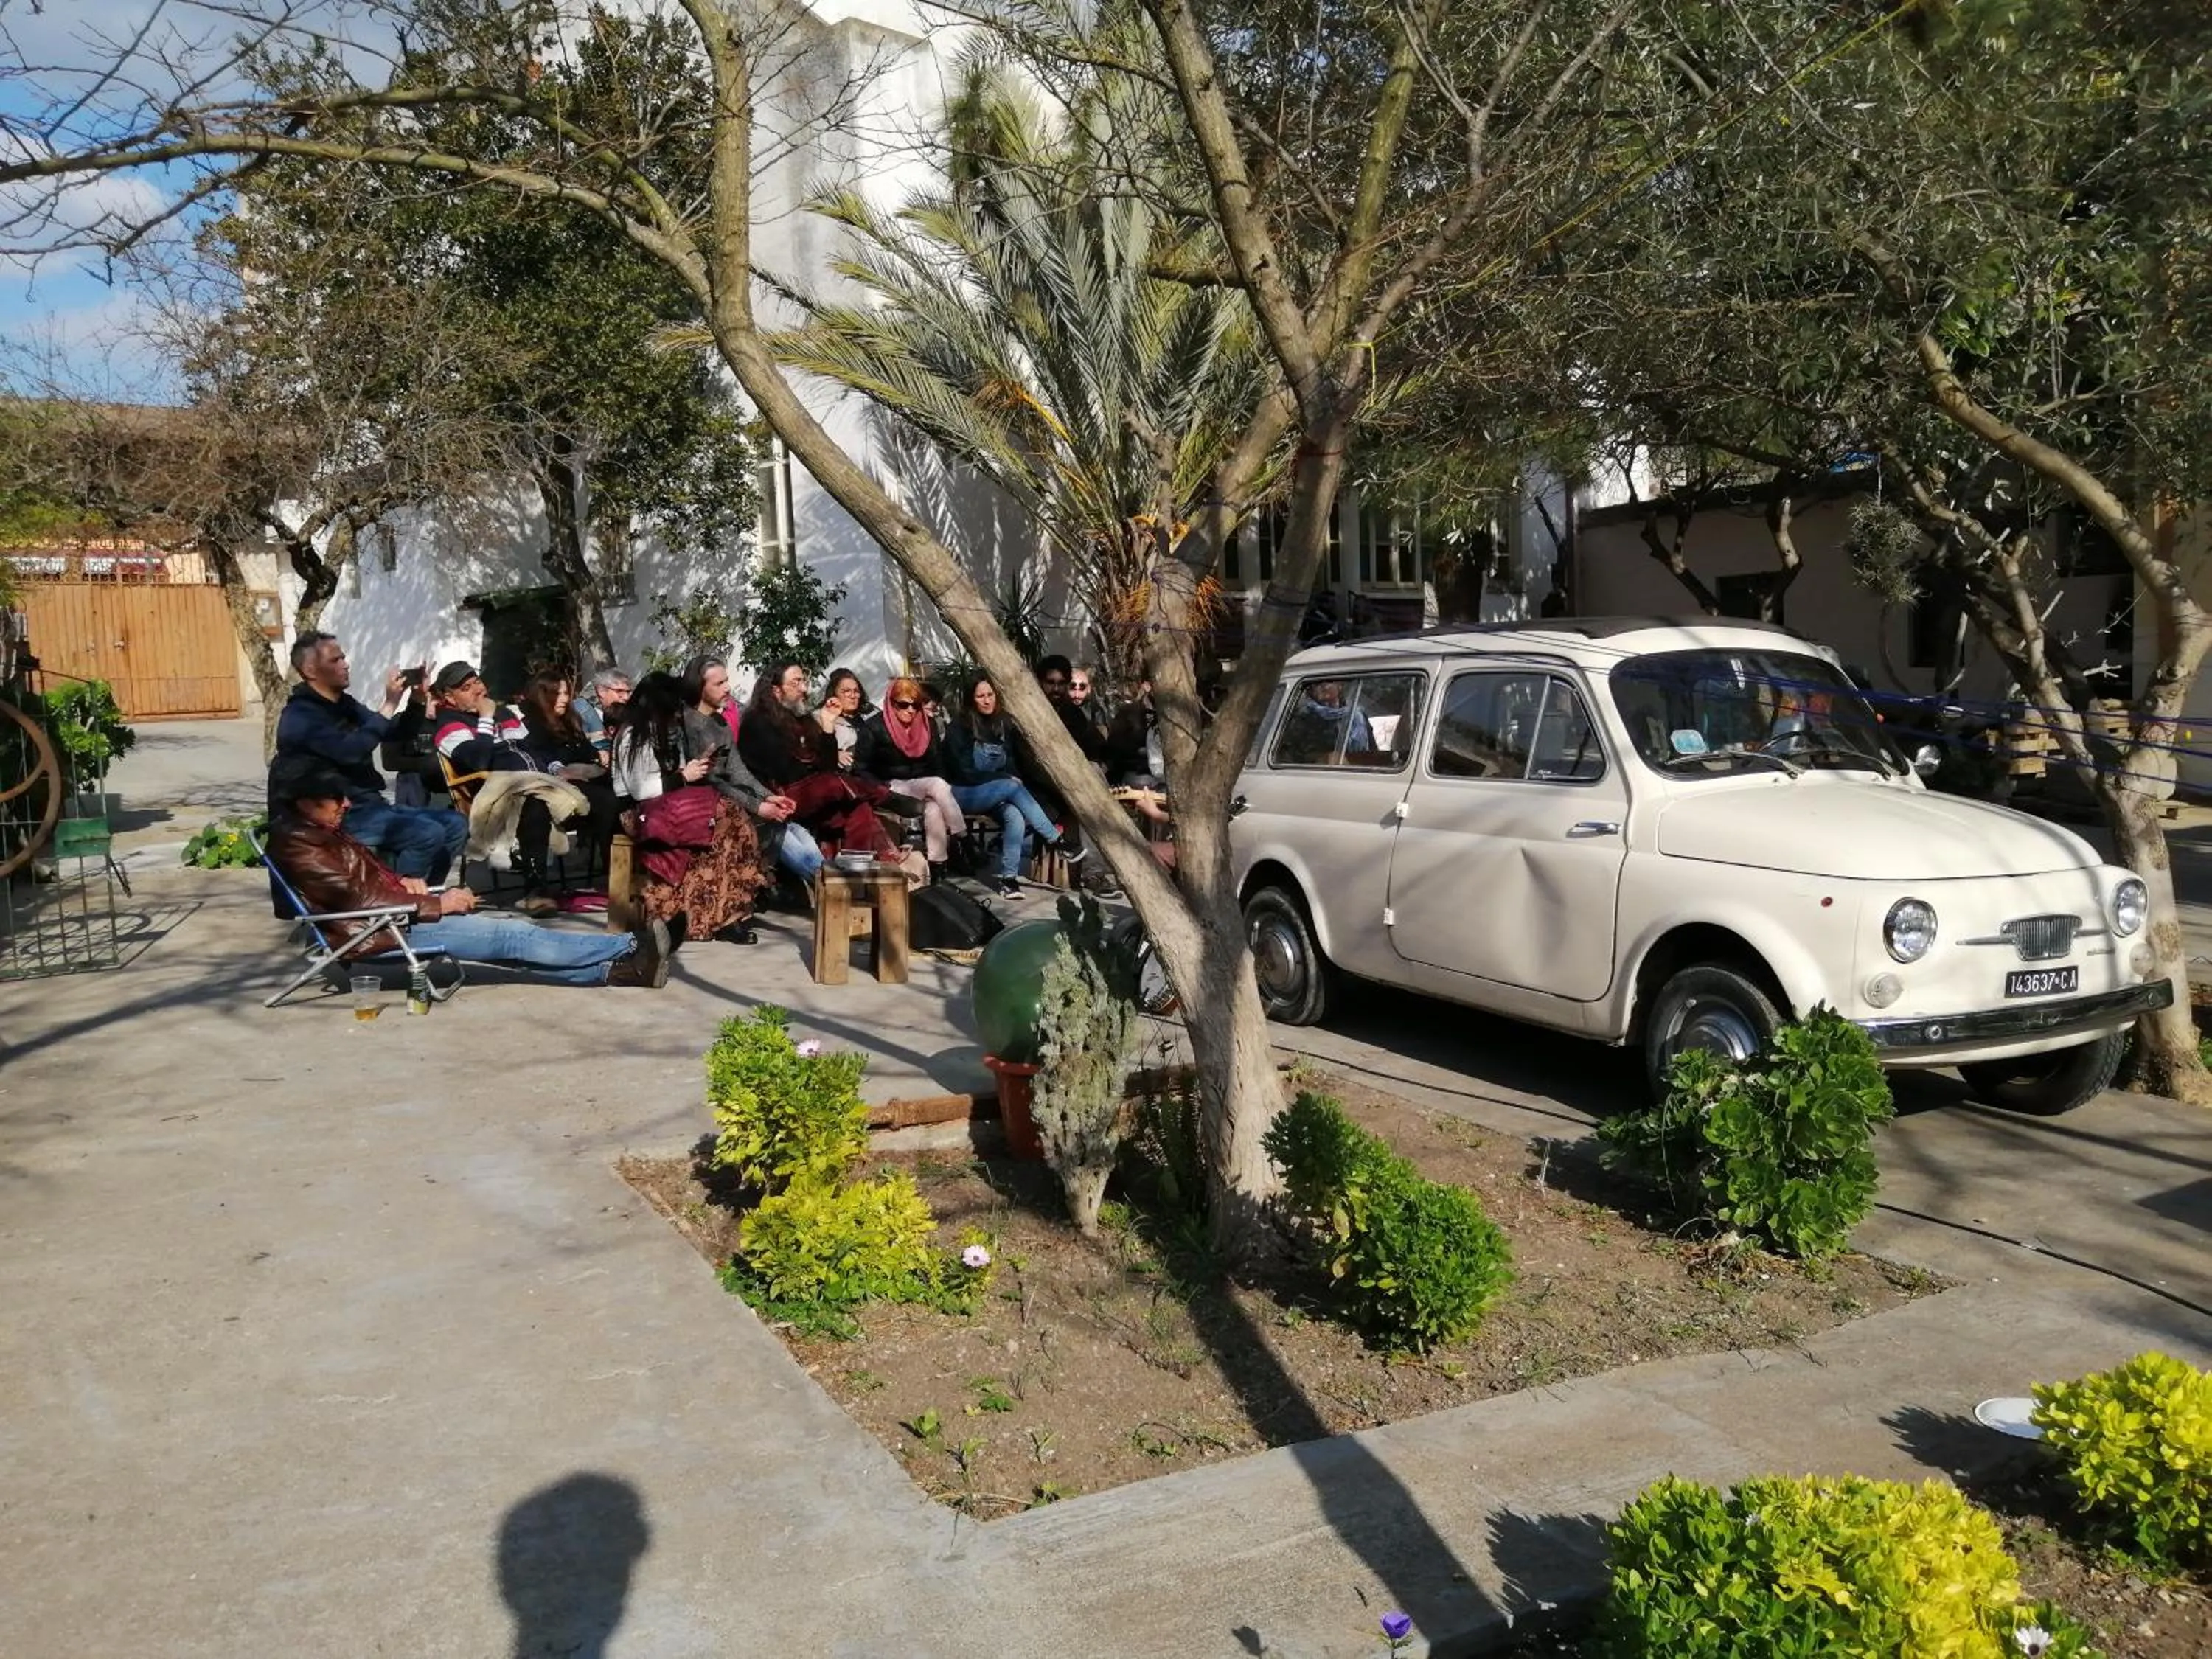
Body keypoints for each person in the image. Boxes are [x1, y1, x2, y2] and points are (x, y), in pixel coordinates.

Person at [266, 768, 669, 990]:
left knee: (513, 948)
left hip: (391, 916)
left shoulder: (319, 831)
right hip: (379, 931)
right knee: (513, 938)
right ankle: (632, 944)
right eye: (337, 799)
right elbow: (355, 900)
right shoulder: (299, 844)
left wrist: (404, 884)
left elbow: (363, 882)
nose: (347, 804)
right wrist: (439, 904)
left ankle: (622, 971)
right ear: (306, 803)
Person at [273, 632, 465, 884]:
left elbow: (393, 733)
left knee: (455, 824)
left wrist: (416, 700)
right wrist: (388, 705)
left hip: (371, 806)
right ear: (310, 670)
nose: (345, 664)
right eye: (335, 660)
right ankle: (400, 905)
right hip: (339, 815)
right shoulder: (300, 717)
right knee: (427, 834)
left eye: (343, 657)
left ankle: (426, 898)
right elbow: (350, 751)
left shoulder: (344, 704)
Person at [434, 661, 615, 912]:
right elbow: (478, 759)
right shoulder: (450, 724)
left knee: (605, 798)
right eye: (466, 687)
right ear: (449, 698)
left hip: (543, 782)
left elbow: (534, 750)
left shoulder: (505, 715)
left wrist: (557, 770)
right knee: (533, 806)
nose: (477, 689)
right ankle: (536, 892)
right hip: (502, 794)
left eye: (477, 681)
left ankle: (616, 877)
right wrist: (486, 719)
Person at [611, 672, 770, 942]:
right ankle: (713, 916)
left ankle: (725, 914)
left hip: (670, 805)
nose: (679, 713)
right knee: (725, 816)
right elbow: (640, 789)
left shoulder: (666, 732)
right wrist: (684, 776)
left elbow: (678, 776)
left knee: (727, 822)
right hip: (641, 813)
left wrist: (692, 770)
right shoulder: (633, 736)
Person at [677, 655, 825, 894]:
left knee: (794, 828)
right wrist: (758, 806)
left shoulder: (720, 722)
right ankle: (830, 886)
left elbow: (736, 769)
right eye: (719, 684)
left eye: (727, 681)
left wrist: (768, 797)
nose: (727, 688)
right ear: (699, 687)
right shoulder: (689, 725)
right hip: (705, 805)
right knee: (776, 827)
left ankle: (831, 882)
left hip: (733, 799)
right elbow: (712, 781)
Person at [736, 660, 896, 855]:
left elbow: (827, 765)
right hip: (779, 798)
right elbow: (786, 772)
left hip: (813, 794)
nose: (804, 689)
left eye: (804, 681)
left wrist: (828, 725)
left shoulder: (802, 719)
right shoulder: (757, 723)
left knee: (859, 810)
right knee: (832, 783)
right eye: (796, 683)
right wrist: (815, 768)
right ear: (776, 691)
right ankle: (886, 797)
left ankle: (854, 873)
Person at [943, 675, 1075, 898]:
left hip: (994, 793)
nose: (986, 701)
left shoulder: (1003, 724)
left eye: (990, 695)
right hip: (962, 792)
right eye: (980, 696)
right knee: (1011, 787)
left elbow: (1012, 764)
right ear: (971, 700)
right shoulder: (960, 726)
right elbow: (963, 772)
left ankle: (1008, 880)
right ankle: (1056, 841)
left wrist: (1009, 778)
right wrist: (1005, 779)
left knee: (1014, 815)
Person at [855, 676, 964, 880]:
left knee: (934, 808)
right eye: (903, 704)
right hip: (888, 786)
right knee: (937, 783)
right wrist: (881, 787)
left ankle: (938, 868)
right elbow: (860, 769)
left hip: (920, 785)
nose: (911, 710)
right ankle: (964, 838)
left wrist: (934, 795)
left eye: (916, 704)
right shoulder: (874, 727)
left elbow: (937, 762)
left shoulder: (927, 724)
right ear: (891, 703)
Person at [574, 667, 631, 761]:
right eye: (619, 691)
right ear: (601, 691)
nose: (626, 697)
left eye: (628, 692)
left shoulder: (621, 712)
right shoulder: (579, 712)